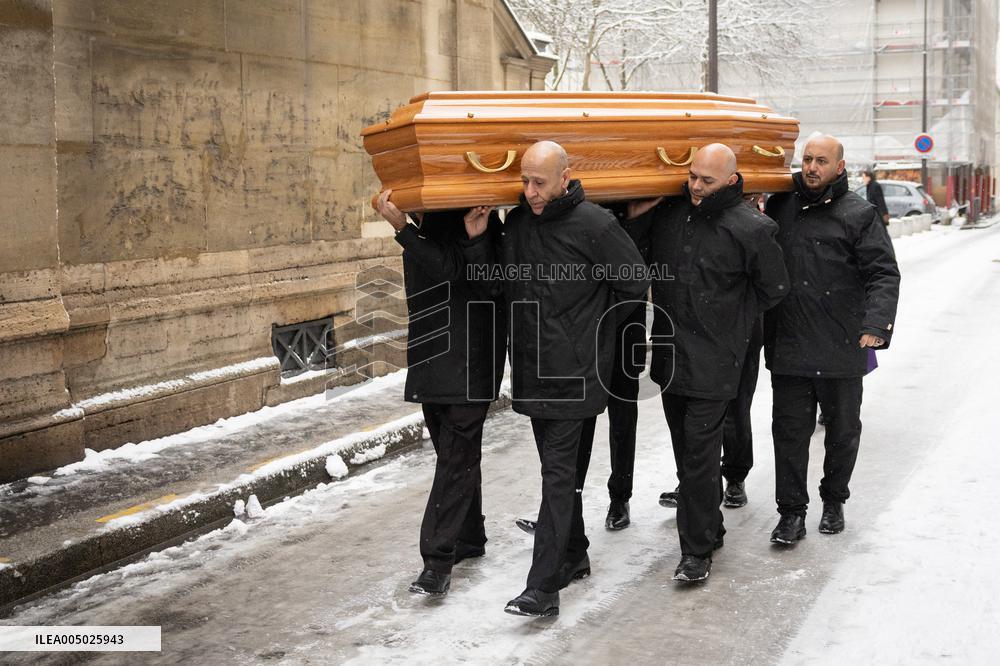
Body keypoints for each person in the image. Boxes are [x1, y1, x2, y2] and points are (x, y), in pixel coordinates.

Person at [463, 140, 649, 617]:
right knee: (561, 477)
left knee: (557, 478)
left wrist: (592, 333)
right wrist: (479, 238)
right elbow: (495, 287)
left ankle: (543, 588)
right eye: (524, 181)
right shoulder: (521, 223)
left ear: (566, 176)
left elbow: (634, 281)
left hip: (576, 374)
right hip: (532, 371)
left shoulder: (596, 224)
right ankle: (575, 553)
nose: (529, 191)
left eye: (539, 182)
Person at [629, 144, 789, 582]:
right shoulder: (669, 215)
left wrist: (730, 319)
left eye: (707, 180)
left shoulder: (752, 227)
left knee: (699, 458)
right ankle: (711, 527)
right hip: (668, 357)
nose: (696, 186)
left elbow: (774, 288)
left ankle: (696, 552)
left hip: (717, 361)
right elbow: (633, 255)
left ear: (732, 181)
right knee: (687, 455)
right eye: (693, 176)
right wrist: (641, 214)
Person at [763, 135, 900, 544]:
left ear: (840, 167)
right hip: (789, 342)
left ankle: (834, 499)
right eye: (807, 159)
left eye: (821, 160)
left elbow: (883, 273)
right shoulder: (780, 205)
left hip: (842, 343)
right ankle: (790, 513)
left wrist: (876, 324)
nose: (811, 167)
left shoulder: (860, 213)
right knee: (788, 434)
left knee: (842, 431)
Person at [376, 193, 506, 596]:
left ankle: (437, 559)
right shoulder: (434, 220)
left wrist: (402, 227)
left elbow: (450, 269)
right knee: (455, 453)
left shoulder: (475, 220)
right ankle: (470, 535)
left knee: (456, 455)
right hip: (435, 353)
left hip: (471, 355)